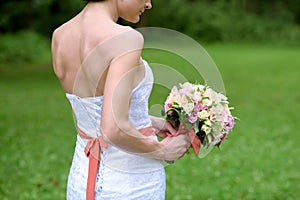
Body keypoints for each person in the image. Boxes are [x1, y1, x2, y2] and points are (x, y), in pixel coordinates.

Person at [51, 0, 192, 199]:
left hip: (81, 179)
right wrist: (162, 151)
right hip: (131, 183)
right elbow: (112, 129)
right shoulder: (125, 38)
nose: (149, 4)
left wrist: (150, 122)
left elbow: (94, 111)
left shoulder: (60, 35)